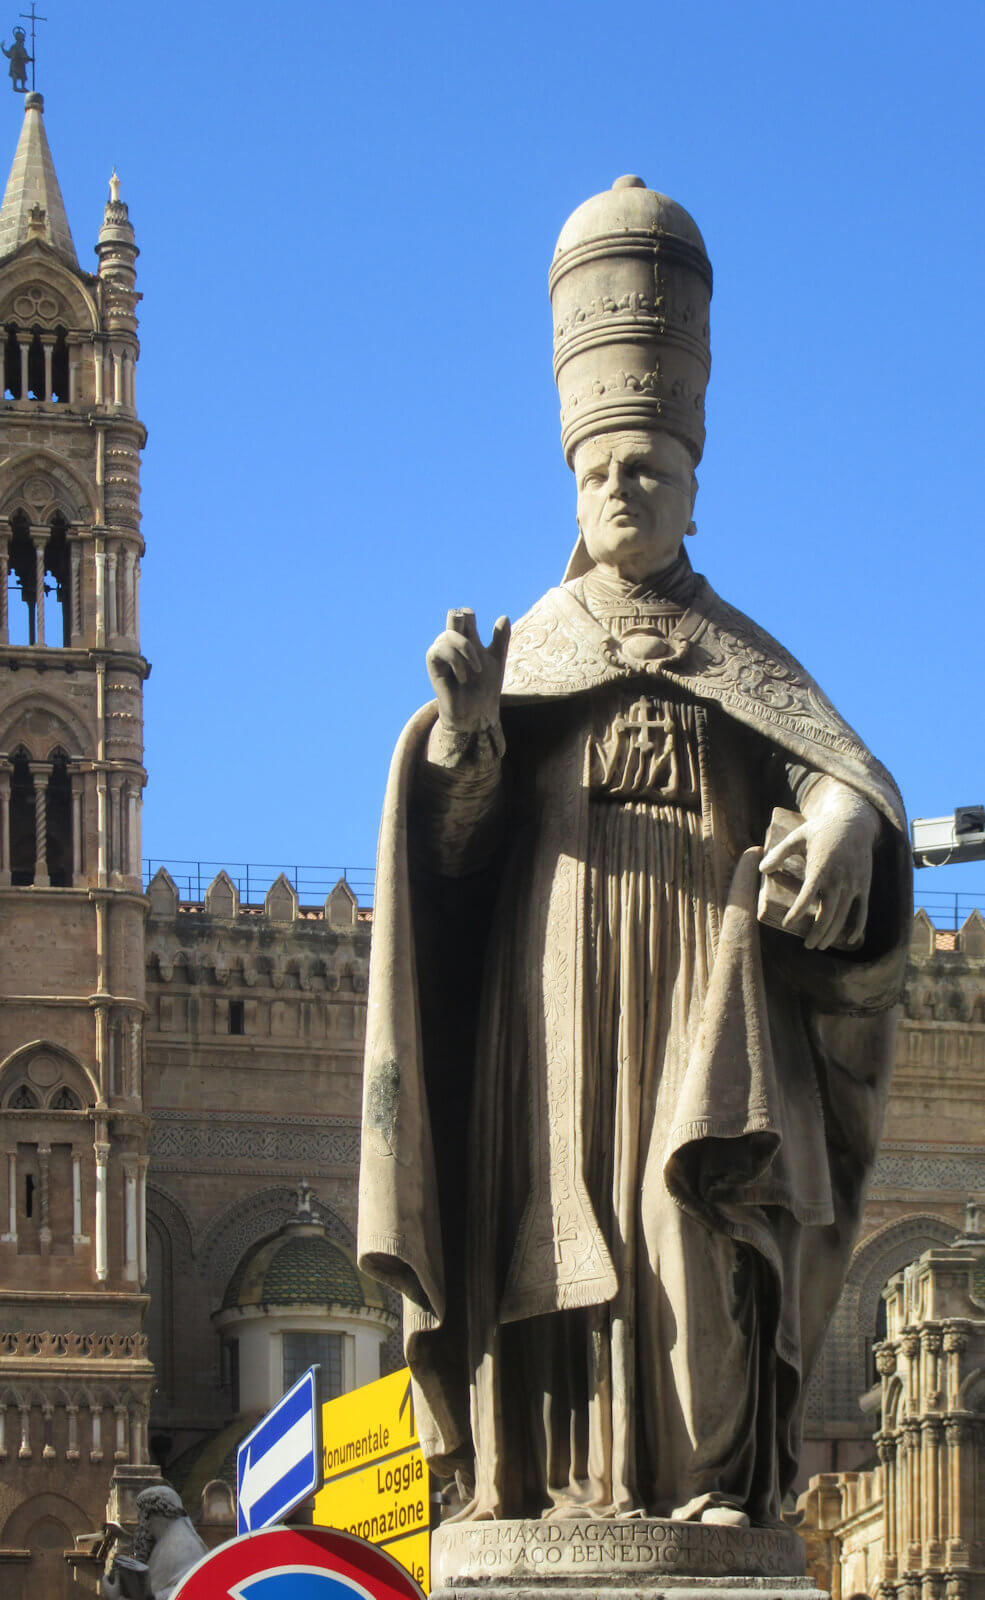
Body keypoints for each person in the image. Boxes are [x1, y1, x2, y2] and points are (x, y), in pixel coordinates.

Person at [358, 178, 910, 1529]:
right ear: (570, 475)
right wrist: (468, 741)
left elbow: (844, 784)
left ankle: (709, 1483)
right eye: (600, 468)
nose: (621, 485)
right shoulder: (528, 650)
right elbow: (453, 861)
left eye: (648, 469)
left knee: (696, 1221)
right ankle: (537, 1482)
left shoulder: (749, 660)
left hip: (703, 1001)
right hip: (548, 1005)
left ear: (691, 488)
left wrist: (842, 821)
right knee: (548, 1228)